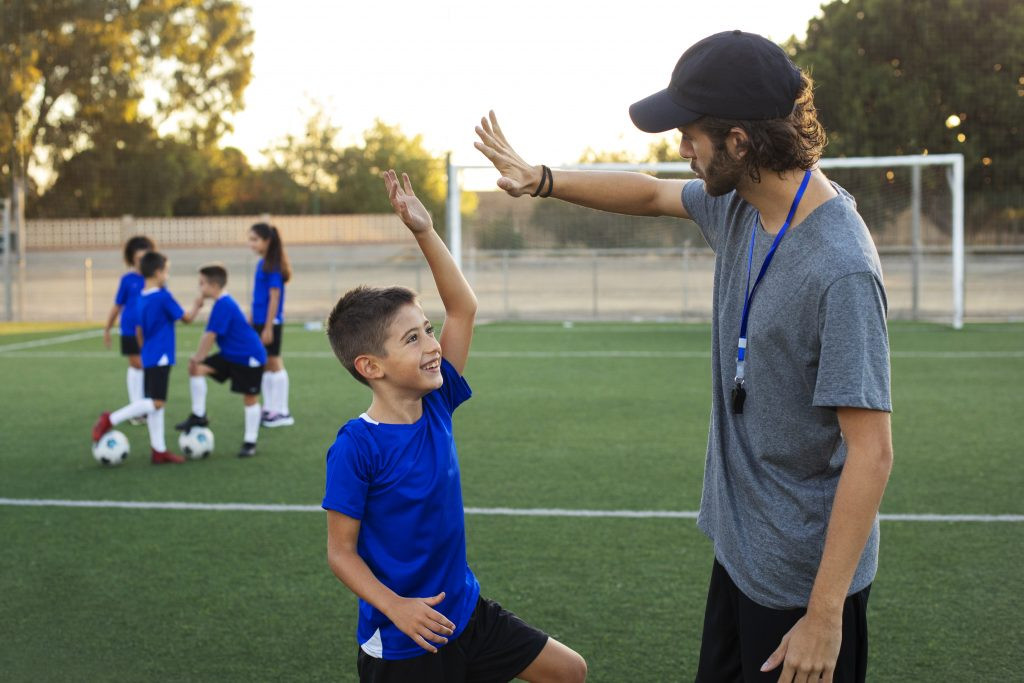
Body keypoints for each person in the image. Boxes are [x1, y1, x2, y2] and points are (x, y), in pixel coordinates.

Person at [474, 30, 893, 683]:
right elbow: (649, 193)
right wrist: (543, 180)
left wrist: (824, 614)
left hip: (800, 584)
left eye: (689, 134)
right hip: (742, 553)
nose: (679, 149)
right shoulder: (740, 205)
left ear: (738, 142)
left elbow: (872, 451)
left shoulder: (840, 268)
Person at [321, 170, 588, 683]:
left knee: (569, 672)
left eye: (427, 331)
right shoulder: (356, 446)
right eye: (413, 339)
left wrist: (423, 230)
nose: (432, 345)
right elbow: (341, 553)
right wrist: (398, 608)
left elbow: (463, 306)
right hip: (405, 640)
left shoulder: (438, 399)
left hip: (465, 613)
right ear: (370, 367)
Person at [93, 251, 203, 464]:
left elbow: (138, 330)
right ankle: (109, 419)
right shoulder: (163, 296)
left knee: (154, 404)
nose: (167, 276)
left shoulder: (141, 297)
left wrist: (145, 351)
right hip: (161, 355)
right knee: (156, 403)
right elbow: (187, 319)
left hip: (150, 354)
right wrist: (197, 306)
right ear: (158, 272)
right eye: (166, 271)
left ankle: (158, 450)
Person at [174, 264, 267, 458]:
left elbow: (210, 336)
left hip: (248, 357)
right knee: (196, 369)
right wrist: (197, 360)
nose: (199, 287)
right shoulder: (220, 303)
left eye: (202, 284)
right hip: (230, 354)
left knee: (250, 399)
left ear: (214, 285)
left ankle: (250, 441)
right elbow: (209, 335)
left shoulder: (224, 304)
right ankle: (199, 415)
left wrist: (197, 356)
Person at [102, 235, 155, 423]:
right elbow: (117, 305)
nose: (142, 262)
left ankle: (143, 406)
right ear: (131, 259)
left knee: (148, 366)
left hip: (149, 330)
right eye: (138, 258)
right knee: (137, 365)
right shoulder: (127, 280)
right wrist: (107, 328)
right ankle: (137, 409)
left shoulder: (154, 279)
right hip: (129, 330)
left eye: (145, 258)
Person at [248, 222, 293, 428]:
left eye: (254, 239)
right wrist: (251, 317)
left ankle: (282, 411)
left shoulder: (273, 265)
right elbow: (258, 296)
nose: (251, 244)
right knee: (265, 363)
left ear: (267, 241)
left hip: (270, 321)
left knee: (274, 362)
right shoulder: (262, 263)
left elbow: (274, 298)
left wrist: (267, 327)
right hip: (258, 320)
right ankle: (269, 407)